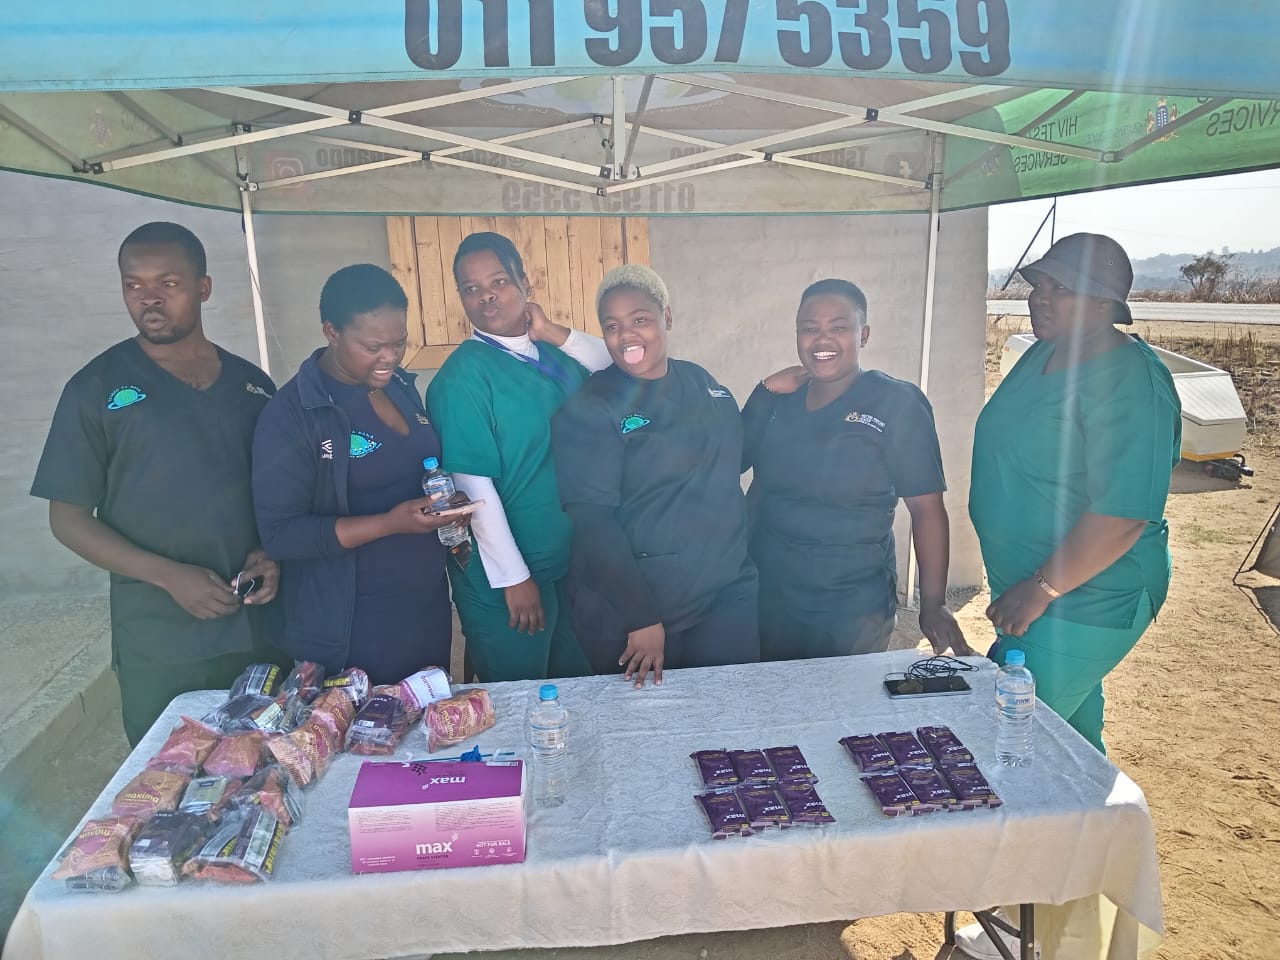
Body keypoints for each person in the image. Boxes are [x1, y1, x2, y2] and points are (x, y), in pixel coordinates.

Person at [30, 222, 281, 746]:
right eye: (133, 285)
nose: (149, 299)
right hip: (160, 641)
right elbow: (68, 518)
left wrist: (270, 554)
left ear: (203, 288)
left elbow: (278, 495)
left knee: (268, 778)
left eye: (168, 283)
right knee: (165, 797)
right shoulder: (95, 389)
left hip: (258, 629)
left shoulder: (251, 386)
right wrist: (169, 576)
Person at [969, 232, 1181, 754]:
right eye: (1039, 282)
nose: (1040, 295)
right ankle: (1094, 835)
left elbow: (1123, 513)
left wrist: (1042, 588)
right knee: (1070, 746)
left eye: (1061, 287)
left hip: (1087, 597)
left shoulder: (1130, 378)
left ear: (1105, 302)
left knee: (998, 740)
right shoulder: (1045, 351)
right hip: (1033, 591)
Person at [251, 264, 474, 685]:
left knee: (425, 733)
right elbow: (282, 534)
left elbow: (417, 472)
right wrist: (390, 524)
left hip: (423, 609)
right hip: (350, 625)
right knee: (368, 741)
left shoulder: (400, 387)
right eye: (372, 345)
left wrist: (447, 506)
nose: (389, 356)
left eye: (399, 342)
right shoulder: (293, 415)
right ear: (331, 331)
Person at [551, 265, 760, 688]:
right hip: (637, 608)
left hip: (722, 593)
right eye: (612, 326)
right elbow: (592, 520)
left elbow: (734, 457)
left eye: (640, 320)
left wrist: (766, 396)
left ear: (667, 317)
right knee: (647, 731)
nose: (626, 336)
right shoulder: (591, 408)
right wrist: (641, 617)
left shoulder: (703, 383)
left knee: (728, 716)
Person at [742, 278, 971, 661]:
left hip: (848, 604)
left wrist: (933, 602)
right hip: (771, 591)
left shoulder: (895, 403)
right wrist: (762, 392)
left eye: (839, 328)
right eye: (810, 328)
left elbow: (927, 509)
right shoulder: (781, 399)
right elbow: (732, 459)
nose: (822, 340)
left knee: (839, 710)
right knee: (773, 705)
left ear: (863, 335)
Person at [426, 232, 612, 682]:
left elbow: (615, 362)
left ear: (525, 282)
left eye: (499, 281)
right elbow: (473, 486)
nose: (486, 296)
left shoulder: (551, 355)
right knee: (517, 703)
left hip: (566, 563)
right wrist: (513, 578)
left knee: (574, 692)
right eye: (471, 288)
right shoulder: (463, 378)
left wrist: (550, 330)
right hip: (508, 576)